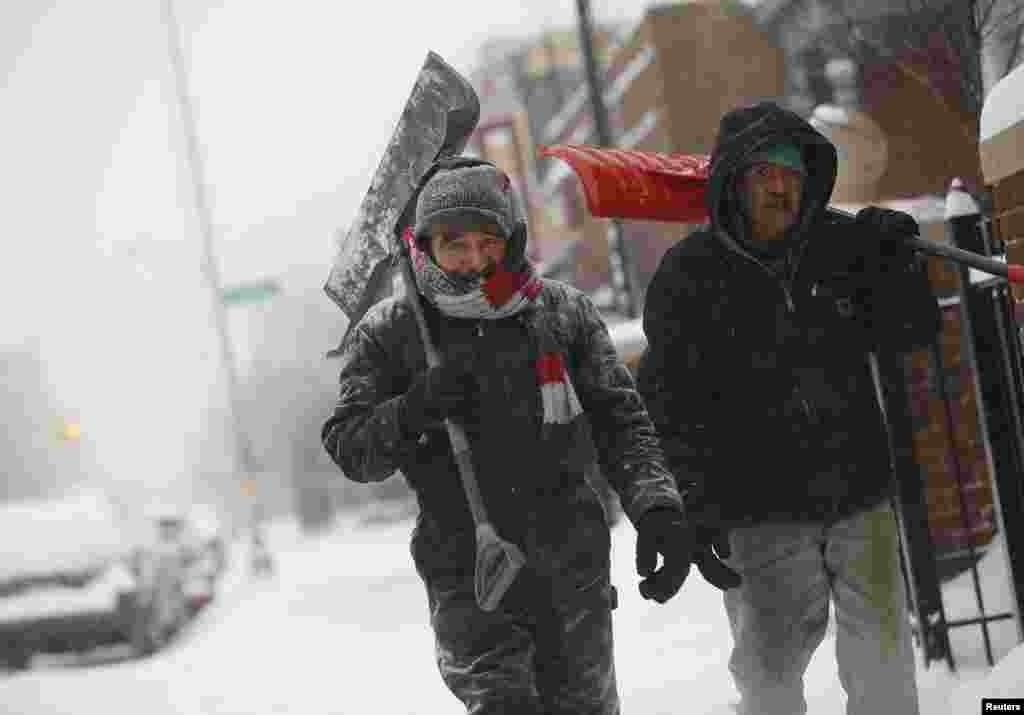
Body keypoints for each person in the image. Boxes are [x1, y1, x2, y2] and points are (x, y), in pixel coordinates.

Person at [321, 157, 738, 715]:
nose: (472, 261)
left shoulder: (561, 314)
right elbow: (351, 448)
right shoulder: (394, 332)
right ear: (423, 246)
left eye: (486, 242)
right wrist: (416, 407)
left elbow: (621, 421)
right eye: (453, 244)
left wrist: (656, 506)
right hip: (470, 573)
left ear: (511, 239)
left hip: (570, 564)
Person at [637, 101, 940, 715]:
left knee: (885, 673)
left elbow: (912, 329)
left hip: (860, 497)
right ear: (733, 183)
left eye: (793, 173)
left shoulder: (843, 246)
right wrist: (692, 503)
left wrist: (897, 263)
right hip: (759, 512)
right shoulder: (688, 277)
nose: (782, 186)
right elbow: (667, 406)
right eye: (764, 173)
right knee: (770, 680)